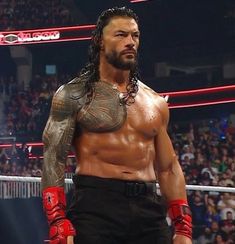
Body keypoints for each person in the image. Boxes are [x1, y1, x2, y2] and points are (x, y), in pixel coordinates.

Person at [41, 6, 192, 244]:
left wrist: (183, 227)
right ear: (100, 41)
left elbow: (168, 167)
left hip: (148, 210)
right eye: (121, 35)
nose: (130, 41)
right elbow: (53, 157)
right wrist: (57, 221)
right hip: (95, 207)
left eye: (135, 35)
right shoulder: (74, 94)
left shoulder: (154, 102)